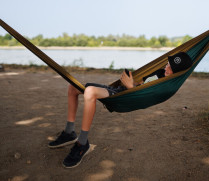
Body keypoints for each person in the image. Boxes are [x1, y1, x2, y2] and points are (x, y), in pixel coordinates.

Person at [49, 51, 192, 168]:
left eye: (172, 69)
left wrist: (131, 87)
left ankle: (82, 143)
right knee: (73, 87)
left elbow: (143, 96)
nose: (167, 68)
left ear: (178, 74)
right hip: (121, 90)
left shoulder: (165, 88)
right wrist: (130, 82)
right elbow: (142, 83)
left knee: (90, 92)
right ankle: (69, 132)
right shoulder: (162, 73)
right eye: (168, 64)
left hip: (126, 96)